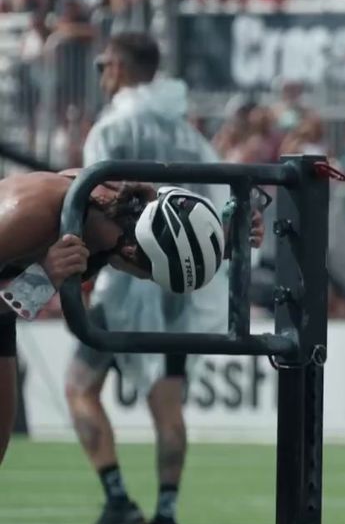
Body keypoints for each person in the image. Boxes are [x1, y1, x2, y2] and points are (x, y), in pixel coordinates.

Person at [66, 32, 235, 524]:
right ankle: (166, 517)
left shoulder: (113, 127)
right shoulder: (187, 133)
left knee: (78, 386)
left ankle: (118, 499)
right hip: (184, 285)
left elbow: (91, 201)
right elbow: (220, 201)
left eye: (101, 64)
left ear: (116, 65)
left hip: (128, 278)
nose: (100, 74)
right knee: (168, 404)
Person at [0, 175, 246, 471]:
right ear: (130, 253)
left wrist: (228, 237)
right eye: (148, 276)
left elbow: (181, 233)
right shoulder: (33, 215)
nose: (142, 280)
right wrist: (42, 279)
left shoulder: (124, 208)